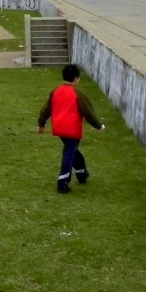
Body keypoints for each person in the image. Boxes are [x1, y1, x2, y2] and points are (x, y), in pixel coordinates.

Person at [36, 63, 105, 194]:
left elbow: (46, 109)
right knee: (69, 152)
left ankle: (82, 174)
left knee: (73, 151)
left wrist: (41, 123)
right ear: (76, 78)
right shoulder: (78, 93)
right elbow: (88, 112)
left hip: (59, 128)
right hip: (72, 129)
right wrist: (98, 126)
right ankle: (62, 183)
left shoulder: (55, 91)